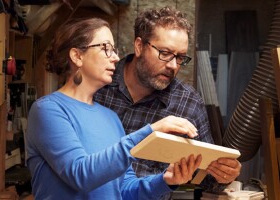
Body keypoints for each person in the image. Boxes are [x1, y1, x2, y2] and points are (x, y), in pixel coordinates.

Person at [25, 17, 204, 200]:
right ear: (77, 56)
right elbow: (80, 174)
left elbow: (125, 190)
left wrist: (165, 181)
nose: (116, 57)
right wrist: (150, 133)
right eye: (106, 48)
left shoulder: (110, 118)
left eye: (114, 49)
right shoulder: (48, 110)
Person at [94, 6, 242, 197]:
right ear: (139, 46)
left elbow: (207, 180)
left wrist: (224, 174)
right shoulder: (98, 86)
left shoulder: (187, 103)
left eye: (180, 57)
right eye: (164, 53)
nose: (173, 65)